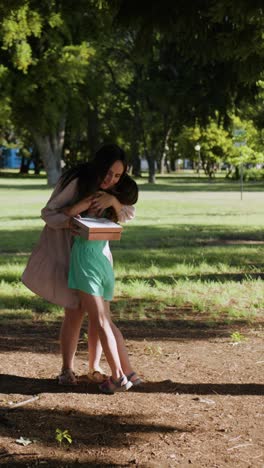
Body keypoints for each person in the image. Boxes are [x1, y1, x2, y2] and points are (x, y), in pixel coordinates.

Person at [22, 144, 140, 390]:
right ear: (97, 166)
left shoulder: (117, 189)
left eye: (117, 175)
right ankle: (67, 369)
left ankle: (96, 367)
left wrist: (114, 201)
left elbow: (128, 213)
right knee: (75, 311)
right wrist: (71, 221)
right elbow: (49, 214)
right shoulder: (77, 182)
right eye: (108, 173)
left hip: (97, 257)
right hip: (71, 253)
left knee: (98, 317)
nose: (111, 179)